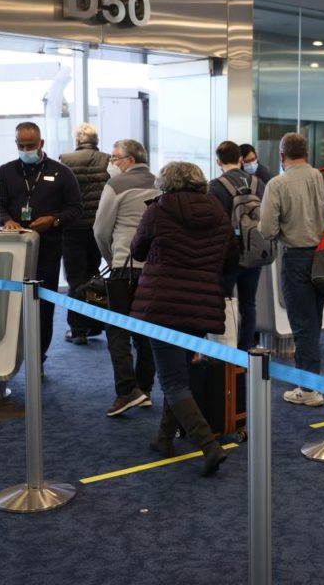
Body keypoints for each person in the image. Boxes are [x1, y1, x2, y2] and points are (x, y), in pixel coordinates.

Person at [130, 161, 239, 476]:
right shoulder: (218, 212)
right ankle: (164, 438)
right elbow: (231, 256)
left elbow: (137, 250)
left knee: (173, 379)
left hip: (161, 303)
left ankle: (209, 446)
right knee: (177, 374)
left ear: (165, 184)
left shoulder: (157, 211)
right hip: (201, 304)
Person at [259, 132, 324, 407]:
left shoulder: (277, 184)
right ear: (308, 154)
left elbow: (267, 229)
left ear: (281, 156)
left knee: (303, 324)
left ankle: (310, 388)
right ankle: (311, 382)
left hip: (297, 259)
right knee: (314, 318)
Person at [0, 122, 82, 366]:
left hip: (48, 249)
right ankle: (9, 355)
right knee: (11, 306)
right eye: (21, 145)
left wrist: (54, 220)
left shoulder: (62, 173)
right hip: (13, 250)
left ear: (41, 144)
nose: (25, 149)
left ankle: (38, 358)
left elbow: (76, 209)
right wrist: (7, 220)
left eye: (30, 145)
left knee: (43, 307)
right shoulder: (5, 172)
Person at [93, 139, 158, 417]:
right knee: (146, 332)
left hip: (124, 266)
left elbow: (100, 229)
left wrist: (111, 259)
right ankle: (144, 388)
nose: (112, 162)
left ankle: (126, 391)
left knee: (117, 330)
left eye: (115, 157)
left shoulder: (116, 186)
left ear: (130, 160)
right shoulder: (159, 183)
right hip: (153, 269)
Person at [209, 141, 271, 351]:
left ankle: (227, 348)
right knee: (248, 304)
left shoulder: (215, 187)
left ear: (218, 161)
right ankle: (246, 349)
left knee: (225, 303)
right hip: (254, 251)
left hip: (227, 255)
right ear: (240, 159)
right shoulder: (258, 183)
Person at [59, 123, 110, 345]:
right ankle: (95, 325)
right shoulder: (107, 160)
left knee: (75, 278)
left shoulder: (65, 160)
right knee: (93, 276)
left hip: (72, 229)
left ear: (78, 140)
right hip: (97, 229)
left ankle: (78, 329)